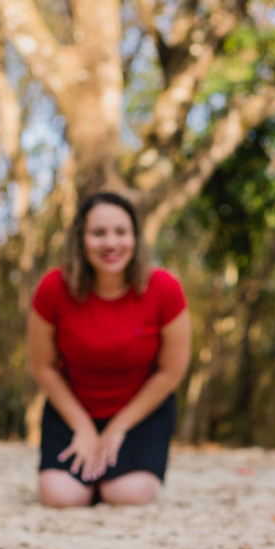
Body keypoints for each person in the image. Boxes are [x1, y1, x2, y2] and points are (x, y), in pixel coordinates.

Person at [27, 191, 192, 507]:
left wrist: (117, 428)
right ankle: (91, 474)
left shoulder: (165, 289)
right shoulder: (52, 288)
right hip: (73, 409)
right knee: (61, 496)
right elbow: (43, 366)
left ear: (135, 237)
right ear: (80, 239)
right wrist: (83, 427)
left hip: (141, 413)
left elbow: (171, 371)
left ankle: (108, 474)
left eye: (121, 232)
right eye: (98, 233)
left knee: (127, 494)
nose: (111, 243)